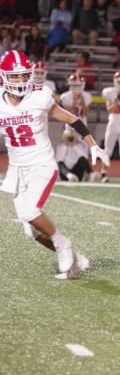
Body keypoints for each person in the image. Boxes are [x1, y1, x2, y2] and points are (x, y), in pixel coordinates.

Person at [0, 50, 109, 279]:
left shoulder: (39, 96)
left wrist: (92, 145)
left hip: (42, 163)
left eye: (24, 75)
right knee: (32, 230)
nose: (21, 81)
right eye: (15, 76)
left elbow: (72, 119)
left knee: (30, 211)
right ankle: (76, 261)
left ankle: (63, 243)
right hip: (17, 169)